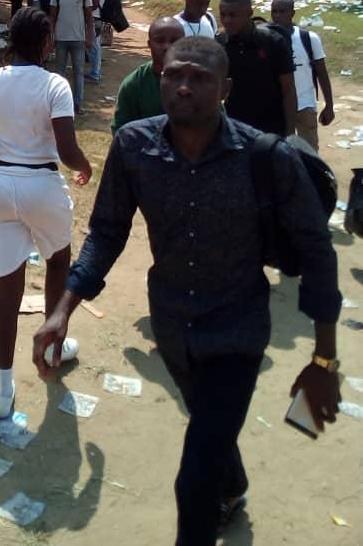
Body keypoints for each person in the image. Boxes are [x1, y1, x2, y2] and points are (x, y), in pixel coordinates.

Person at [34, 36, 341, 546]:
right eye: (175, 75)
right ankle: (234, 485)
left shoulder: (265, 157)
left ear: (225, 89)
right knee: (209, 427)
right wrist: (63, 310)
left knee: (193, 476)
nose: (183, 87)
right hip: (173, 327)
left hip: (237, 333)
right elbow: (107, 231)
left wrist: (324, 360)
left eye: (199, 79)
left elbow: (317, 251)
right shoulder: (134, 146)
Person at [0, 7, 92, 418]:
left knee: (7, 291)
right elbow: (68, 150)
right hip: (42, 185)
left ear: (12, 41)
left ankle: (3, 388)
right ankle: (54, 348)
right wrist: (85, 166)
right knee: (58, 265)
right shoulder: (56, 84)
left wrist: (4, 152)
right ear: (46, 42)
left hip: (0, 187)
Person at [217, 0, 296, 136]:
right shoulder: (221, 43)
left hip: (271, 127)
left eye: (233, 15)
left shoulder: (273, 42)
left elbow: (289, 89)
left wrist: (290, 134)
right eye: (223, 15)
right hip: (235, 127)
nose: (227, 20)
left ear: (249, 13)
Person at [271, 0, 335, 151]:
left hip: (305, 104)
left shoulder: (308, 38)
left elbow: (321, 72)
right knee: (280, 151)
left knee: (309, 151)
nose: (277, 16)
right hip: (278, 106)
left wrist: (329, 105)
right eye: (274, 12)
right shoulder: (267, 39)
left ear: (292, 13)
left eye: (282, 11)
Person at [111, 16, 184, 131]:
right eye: (160, 41)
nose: (167, 47)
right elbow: (121, 130)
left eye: (174, 41)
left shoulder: (197, 82)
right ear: (149, 44)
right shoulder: (134, 85)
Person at [49, 0, 94, 115]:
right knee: (59, 73)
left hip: (78, 40)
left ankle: (77, 104)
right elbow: (52, 18)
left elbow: (89, 18)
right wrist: (51, 38)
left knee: (78, 72)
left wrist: (89, 36)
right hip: (61, 39)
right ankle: (59, 103)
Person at [84, 0, 108, 84]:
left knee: (93, 48)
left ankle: (94, 74)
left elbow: (94, 4)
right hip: (96, 19)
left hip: (93, 19)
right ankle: (95, 72)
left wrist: (83, 10)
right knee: (96, 48)